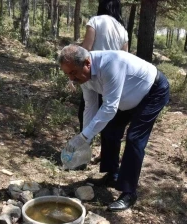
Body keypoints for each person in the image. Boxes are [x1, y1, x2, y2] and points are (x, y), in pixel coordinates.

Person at [59, 45, 170, 211]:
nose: (71, 79)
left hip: (152, 92)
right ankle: (112, 175)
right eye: (67, 74)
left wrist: (83, 137)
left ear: (87, 63)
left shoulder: (111, 64)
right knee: (110, 130)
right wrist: (85, 138)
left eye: (73, 73)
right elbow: (90, 105)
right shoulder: (83, 75)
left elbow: (110, 107)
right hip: (125, 97)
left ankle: (129, 192)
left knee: (134, 139)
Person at [77, 0, 129, 175]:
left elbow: (85, 51)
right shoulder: (123, 30)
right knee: (110, 122)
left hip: (91, 76)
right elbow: (125, 59)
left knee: (87, 111)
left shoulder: (96, 21)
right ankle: (108, 164)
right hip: (112, 81)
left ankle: (82, 155)